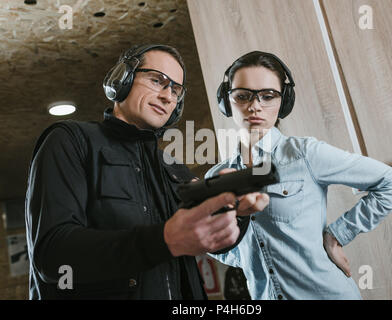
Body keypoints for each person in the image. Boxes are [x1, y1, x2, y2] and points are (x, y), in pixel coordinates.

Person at [24, 44, 269, 300]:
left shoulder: (173, 168)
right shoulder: (70, 141)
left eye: (175, 90)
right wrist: (165, 240)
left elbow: (216, 243)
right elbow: (53, 257)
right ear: (122, 80)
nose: (167, 96)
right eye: (157, 80)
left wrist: (231, 208)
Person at [205, 51, 392, 300]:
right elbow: (210, 238)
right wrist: (244, 256)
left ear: (284, 101)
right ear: (227, 101)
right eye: (242, 96)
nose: (254, 106)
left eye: (268, 96)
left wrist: (336, 235)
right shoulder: (217, 176)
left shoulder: (305, 154)